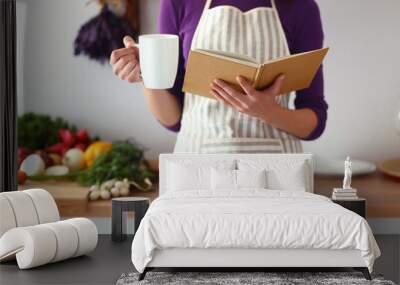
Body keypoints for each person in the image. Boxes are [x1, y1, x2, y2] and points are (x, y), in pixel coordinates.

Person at [110, 0, 328, 153]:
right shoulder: (178, 2)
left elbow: (315, 121)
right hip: (198, 167)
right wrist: (147, 72)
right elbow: (173, 119)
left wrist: (270, 112)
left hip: (276, 175)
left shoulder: (301, 8)